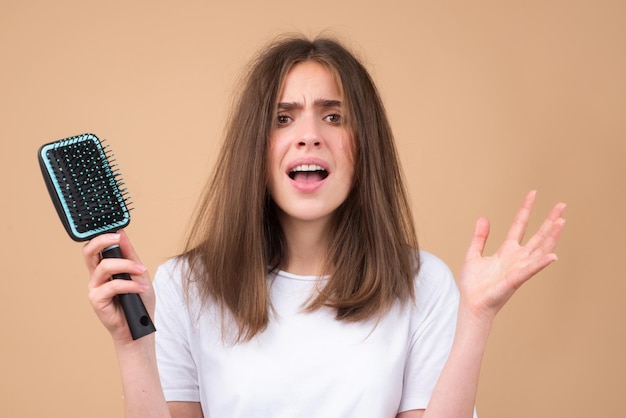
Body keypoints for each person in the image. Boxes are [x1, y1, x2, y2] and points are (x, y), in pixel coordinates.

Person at [83, 34, 566, 418]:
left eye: (334, 117)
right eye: (282, 118)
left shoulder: (422, 283)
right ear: (255, 147)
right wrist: (133, 348)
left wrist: (476, 319)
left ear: (363, 145)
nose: (309, 136)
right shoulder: (186, 286)